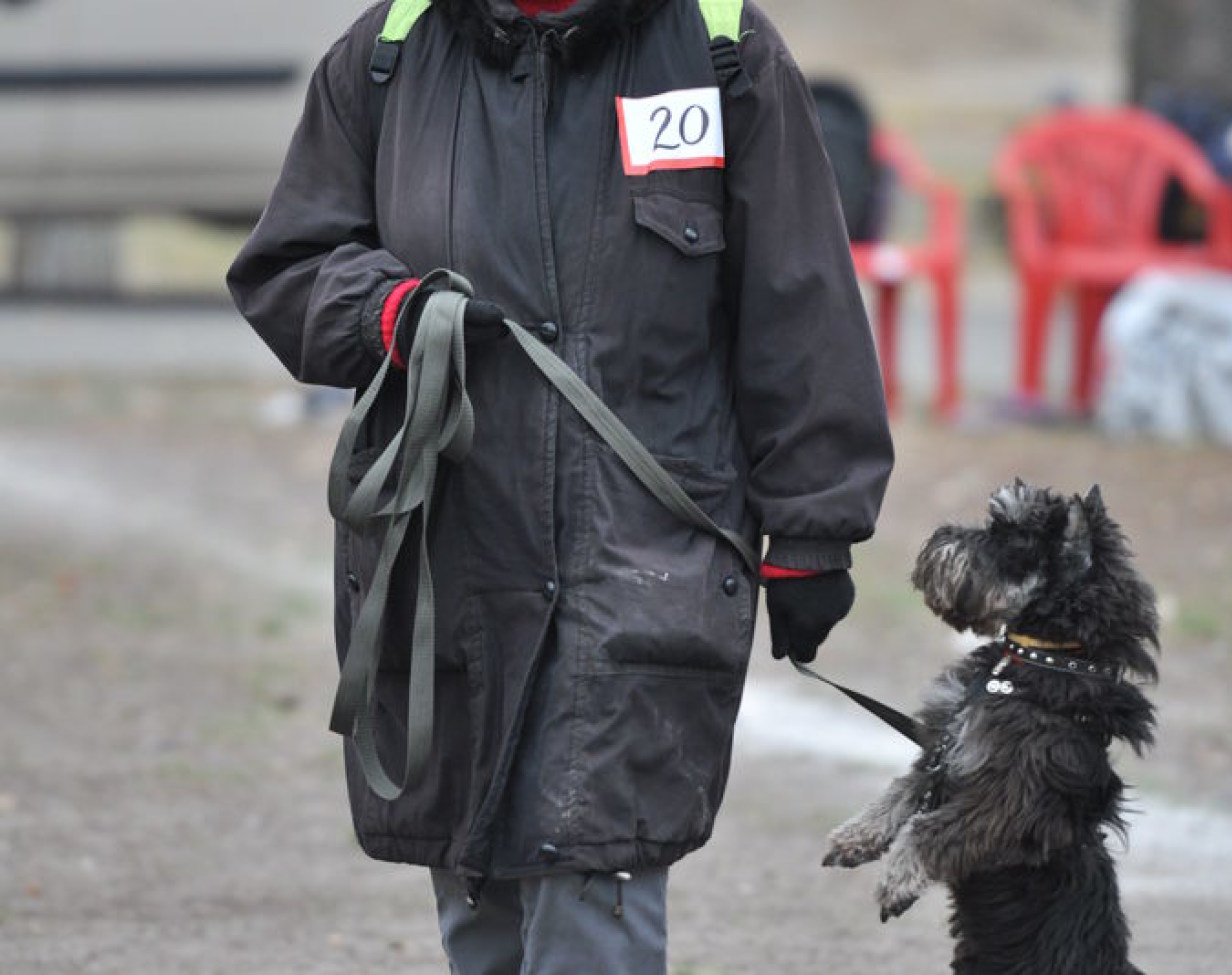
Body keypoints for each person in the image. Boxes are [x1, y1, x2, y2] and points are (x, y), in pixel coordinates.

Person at [227, 0, 893, 971]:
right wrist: (390, 310)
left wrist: (812, 528)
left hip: (641, 558)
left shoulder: (720, 47)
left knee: (593, 878)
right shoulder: (388, 51)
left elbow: (799, 294)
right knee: (476, 895)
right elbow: (287, 263)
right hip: (446, 550)